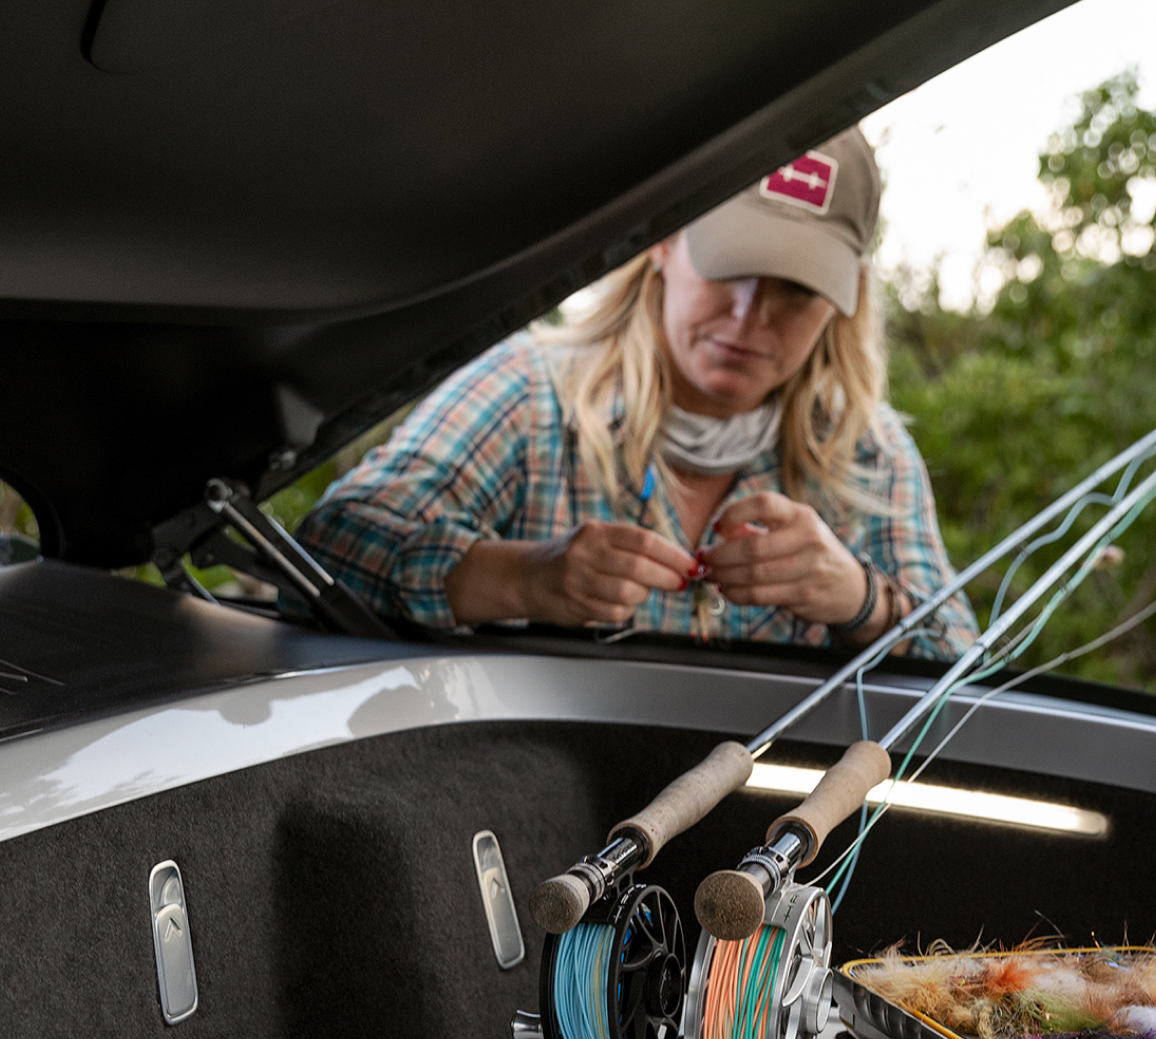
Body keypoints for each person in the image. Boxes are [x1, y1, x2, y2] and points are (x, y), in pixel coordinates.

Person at [296, 129, 977, 656]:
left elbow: (964, 667)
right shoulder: (529, 393)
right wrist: (521, 578)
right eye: (729, 268)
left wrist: (861, 602)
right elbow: (328, 546)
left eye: (796, 290)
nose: (749, 316)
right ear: (663, 242)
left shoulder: (870, 453)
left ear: (846, 298)